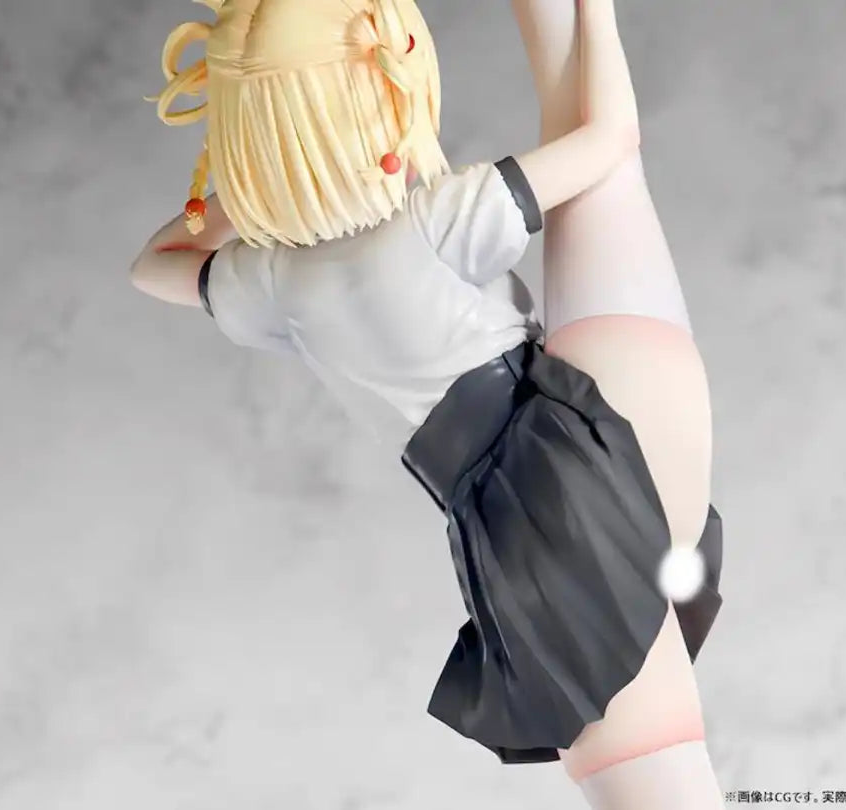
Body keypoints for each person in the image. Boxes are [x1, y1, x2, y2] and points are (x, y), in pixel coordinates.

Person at [131, 0, 726, 807]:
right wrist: (601, 13)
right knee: (598, 160)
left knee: (662, 768)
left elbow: (153, 265)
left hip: (523, 524)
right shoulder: (429, 222)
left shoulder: (272, 283)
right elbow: (610, 138)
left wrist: (270, 173)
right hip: (588, 420)